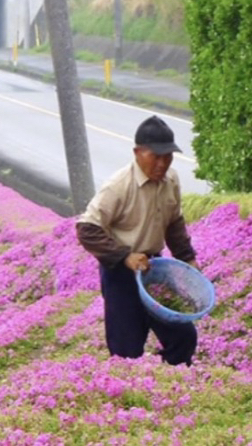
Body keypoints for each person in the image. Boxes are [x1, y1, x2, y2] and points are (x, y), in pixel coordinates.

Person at [77, 114, 200, 366]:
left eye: (168, 156)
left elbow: (174, 222)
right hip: (120, 272)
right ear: (137, 152)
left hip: (155, 269)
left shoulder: (171, 180)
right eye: (156, 156)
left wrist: (188, 258)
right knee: (126, 349)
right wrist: (125, 256)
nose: (162, 163)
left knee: (183, 336)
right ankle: (133, 392)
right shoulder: (118, 186)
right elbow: (87, 228)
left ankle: (167, 385)